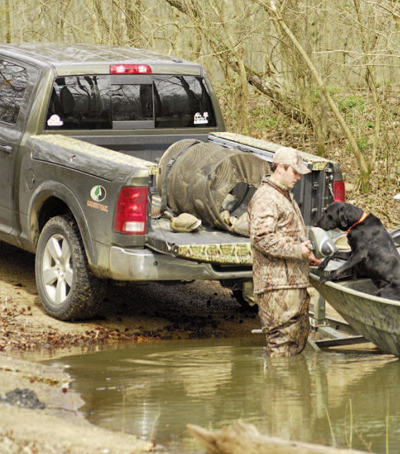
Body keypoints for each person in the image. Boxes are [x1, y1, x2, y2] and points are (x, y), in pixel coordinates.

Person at [248, 147, 320, 357]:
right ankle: (279, 388)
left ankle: (293, 389)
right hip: (277, 287)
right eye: (294, 172)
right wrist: (299, 250)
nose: (298, 177)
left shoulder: (283, 195)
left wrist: (307, 251)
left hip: (292, 284)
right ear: (280, 168)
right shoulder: (267, 198)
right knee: (281, 347)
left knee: (296, 342)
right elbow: (262, 238)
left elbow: (291, 233)